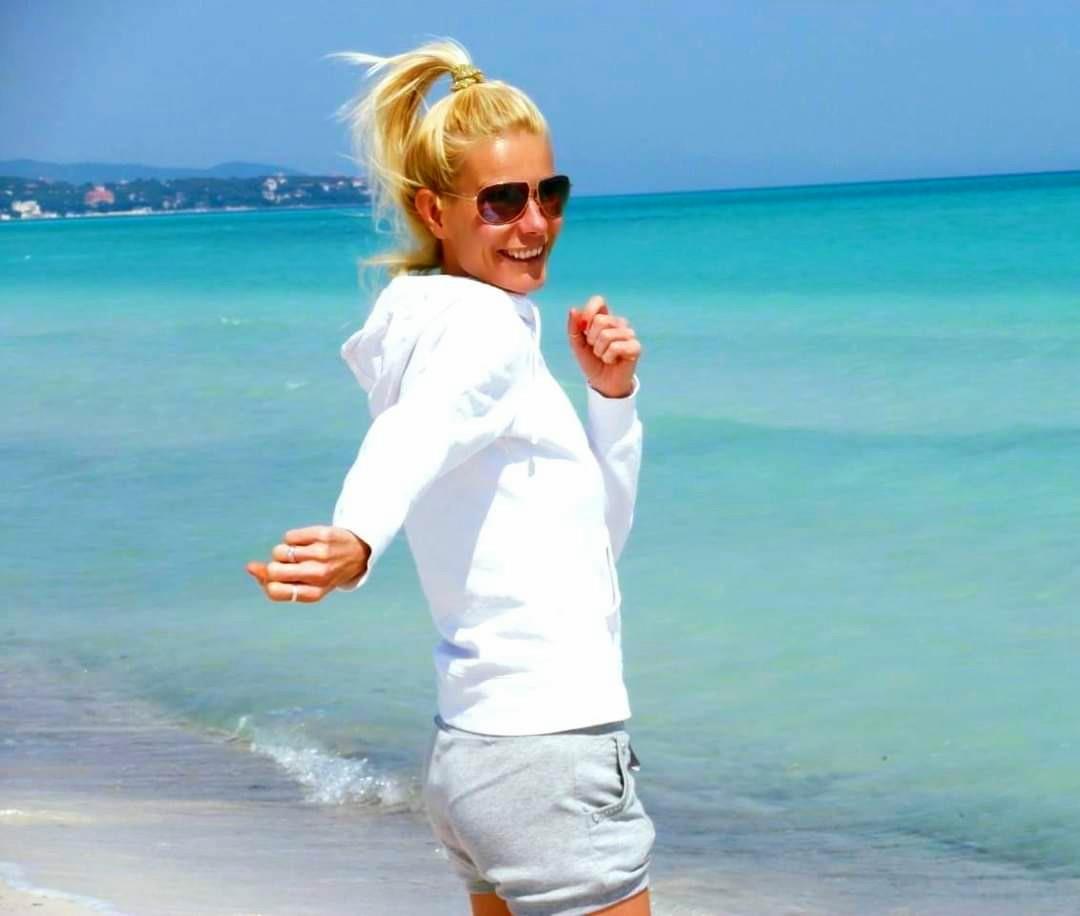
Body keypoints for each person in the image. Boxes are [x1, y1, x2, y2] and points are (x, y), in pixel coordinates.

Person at [245, 38, 654, 916]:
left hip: (474, 755)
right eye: (502, 201)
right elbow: (413, 436)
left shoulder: (434, 326)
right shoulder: (484, 333)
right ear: (435, 210)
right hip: (550, 754)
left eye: (549, 193)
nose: (535, 223)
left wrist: (610, 401)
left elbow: (594, 549)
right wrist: (357, 536)